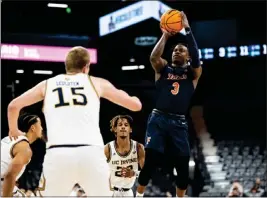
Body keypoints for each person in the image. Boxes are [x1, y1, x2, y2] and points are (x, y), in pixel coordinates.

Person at [7, 46, 142, 196]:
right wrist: (134, 99)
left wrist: (13, 130)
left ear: (67, 66)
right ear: (86, 67)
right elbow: (135, 106)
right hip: (91, 154)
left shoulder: (47, 84)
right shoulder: (96, 83)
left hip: (59, 154)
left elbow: (13, 106)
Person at [136, 12, 202, 197]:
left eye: (181, 50)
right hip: (158, 118)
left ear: (188, 57)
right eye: (174, 50)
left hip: (179, 122)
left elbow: (197, 59)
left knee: (182, 166)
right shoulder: (163, 68)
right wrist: (165, 35)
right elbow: (153, 58)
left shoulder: (193, 74)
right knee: (150, 161)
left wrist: (187, 29)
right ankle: (138, 195)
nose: (176, 52)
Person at [1, 113, 43, 197]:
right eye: (40, 125)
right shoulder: (25, 149)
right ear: (33, 128)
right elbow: (9, 176)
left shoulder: (9, 138)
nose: (42, 128)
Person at [105, 115, 145, 197]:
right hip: (111, 192)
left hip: (128, 193)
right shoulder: (108, 148)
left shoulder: (138, 148)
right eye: (120, 125)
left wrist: (134, 173)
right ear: (115, 129)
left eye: (126, 125)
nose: (123, 127)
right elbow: (99, 170)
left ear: (130, 129)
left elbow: (146, 173)